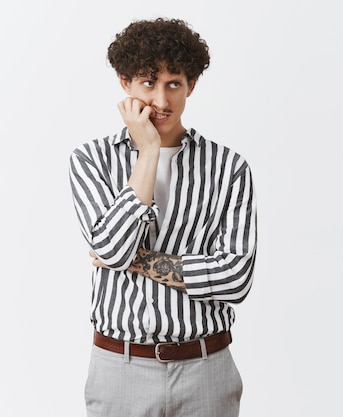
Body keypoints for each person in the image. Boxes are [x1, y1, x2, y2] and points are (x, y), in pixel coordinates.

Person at [68, 17, 257, 417]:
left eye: (174, 83)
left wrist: (138, 261)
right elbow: (111, 250)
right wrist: (149, 151)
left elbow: (236, 278)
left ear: (192, 85)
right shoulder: (91, 160)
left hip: (207, 369)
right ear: (125, 83)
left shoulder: (228, 168)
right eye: (147, 83)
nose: (161, 100)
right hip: (120, 369)